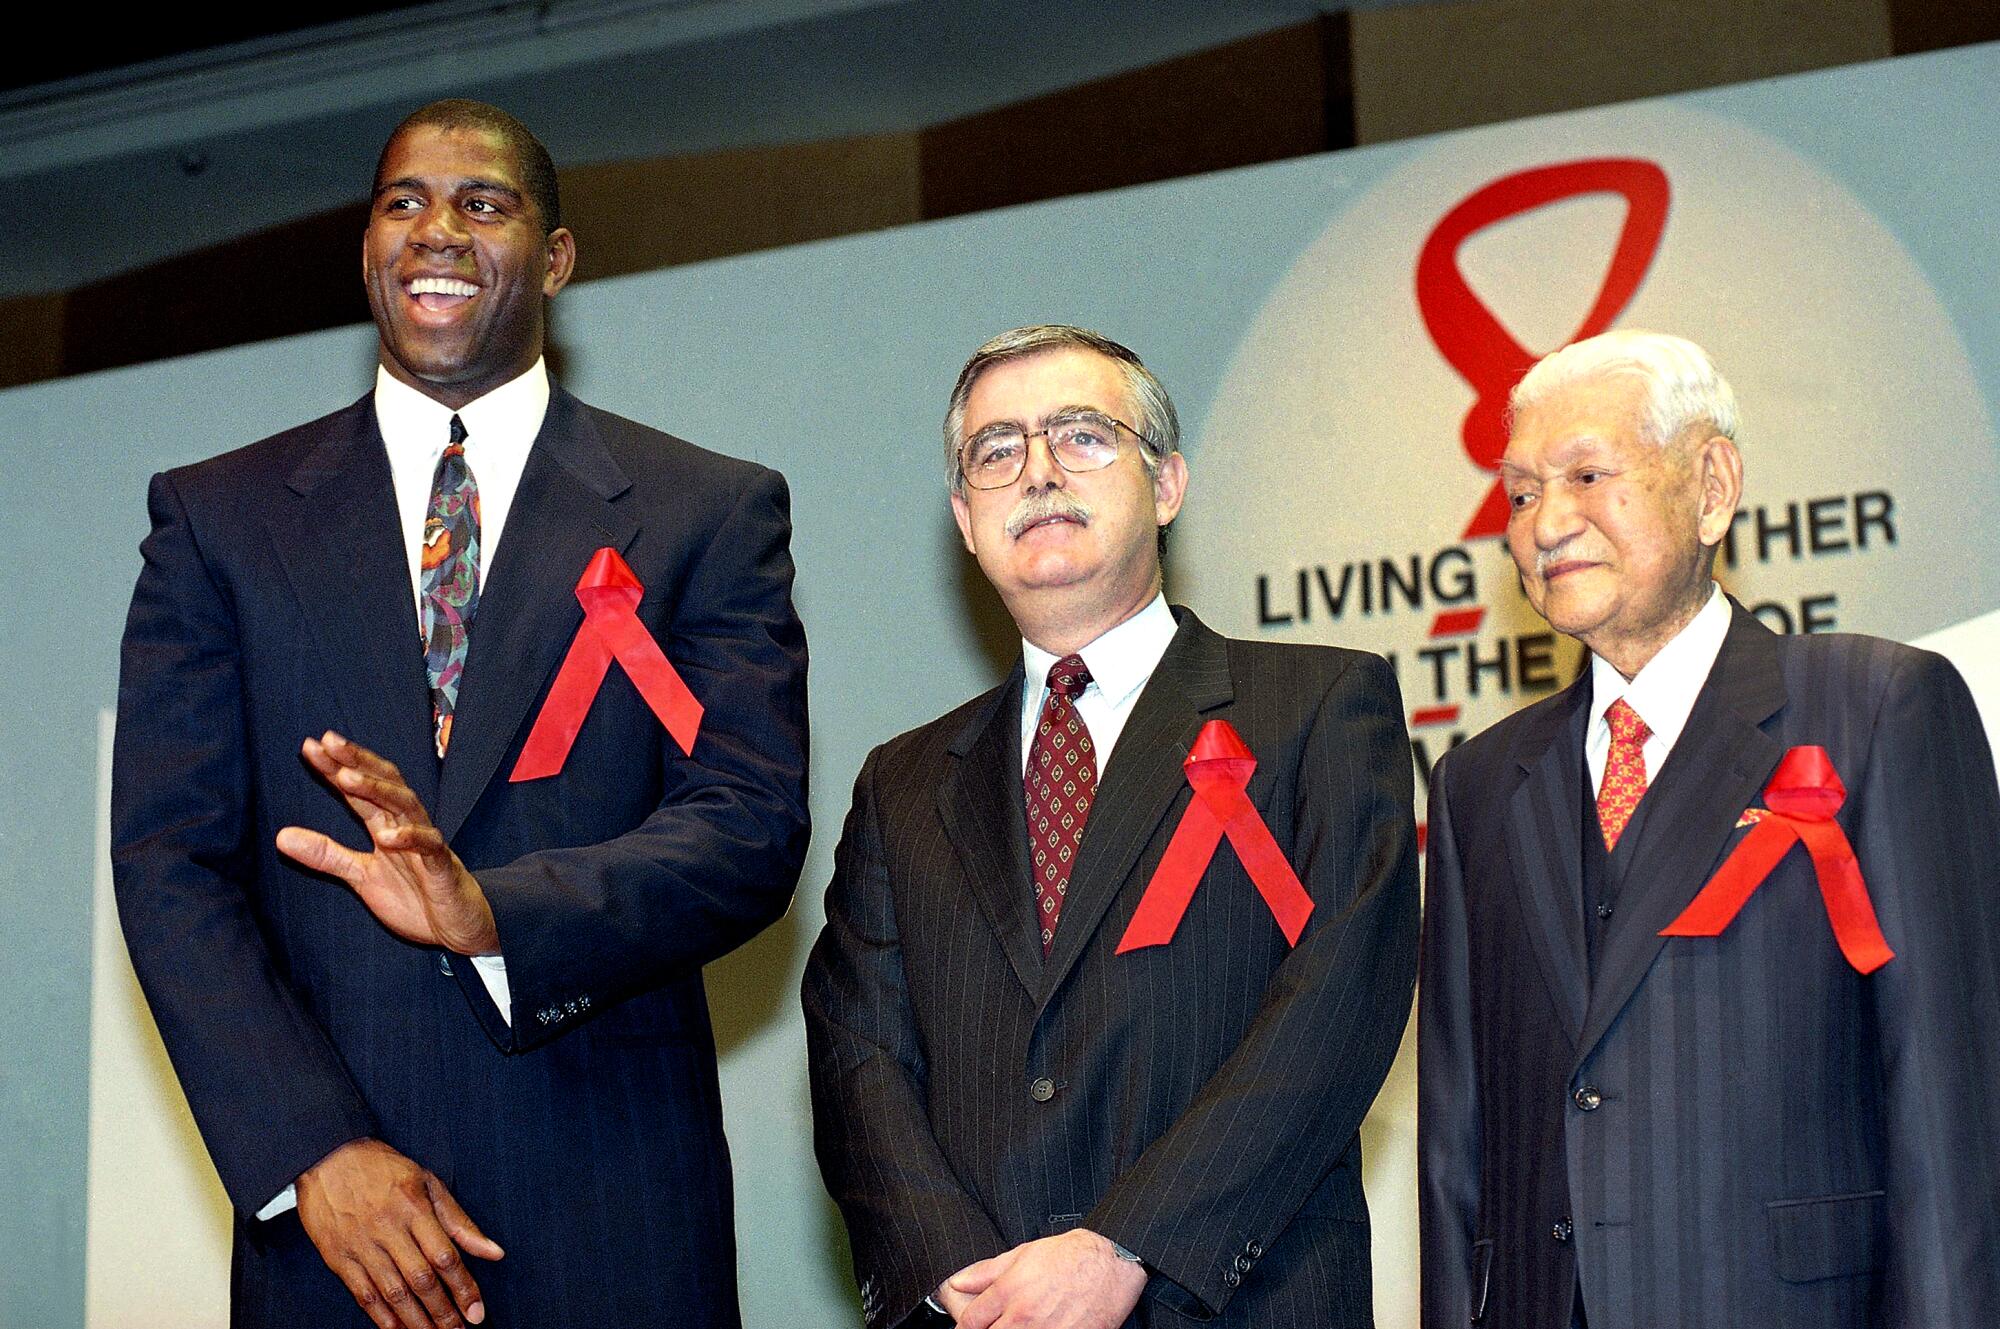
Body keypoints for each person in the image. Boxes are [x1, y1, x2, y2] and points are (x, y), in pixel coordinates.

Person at [110, 100, 809, 1329]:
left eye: (483, 203)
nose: (437, 228)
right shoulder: (218, 521)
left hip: (616, 1210)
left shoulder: (707, 511)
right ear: (368, 243)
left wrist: (498, 917)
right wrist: (311, 1152)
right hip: (333, 1238)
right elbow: (171, 862)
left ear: (554, 259)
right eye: (403, 201)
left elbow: (747, 825)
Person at [802, 325, 1418, 1329]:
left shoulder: (1316, 706)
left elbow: (1337, 1000)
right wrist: (956, 1270)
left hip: (1236, 1300)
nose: (1037, 471)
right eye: (996, 452)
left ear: (1166, 484)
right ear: (963, 518)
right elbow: (855, 1046)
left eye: (1081, 436)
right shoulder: (900, 782)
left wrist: (1126, 1245)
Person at [1418, 330, 2000, 1328]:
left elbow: (1947, 1108)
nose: (1545, 523)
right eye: (1517, 495)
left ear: (1711, 485)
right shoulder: (1479, 781)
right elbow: (1453, 1149)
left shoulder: (1873, 710)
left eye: (1585, 475)